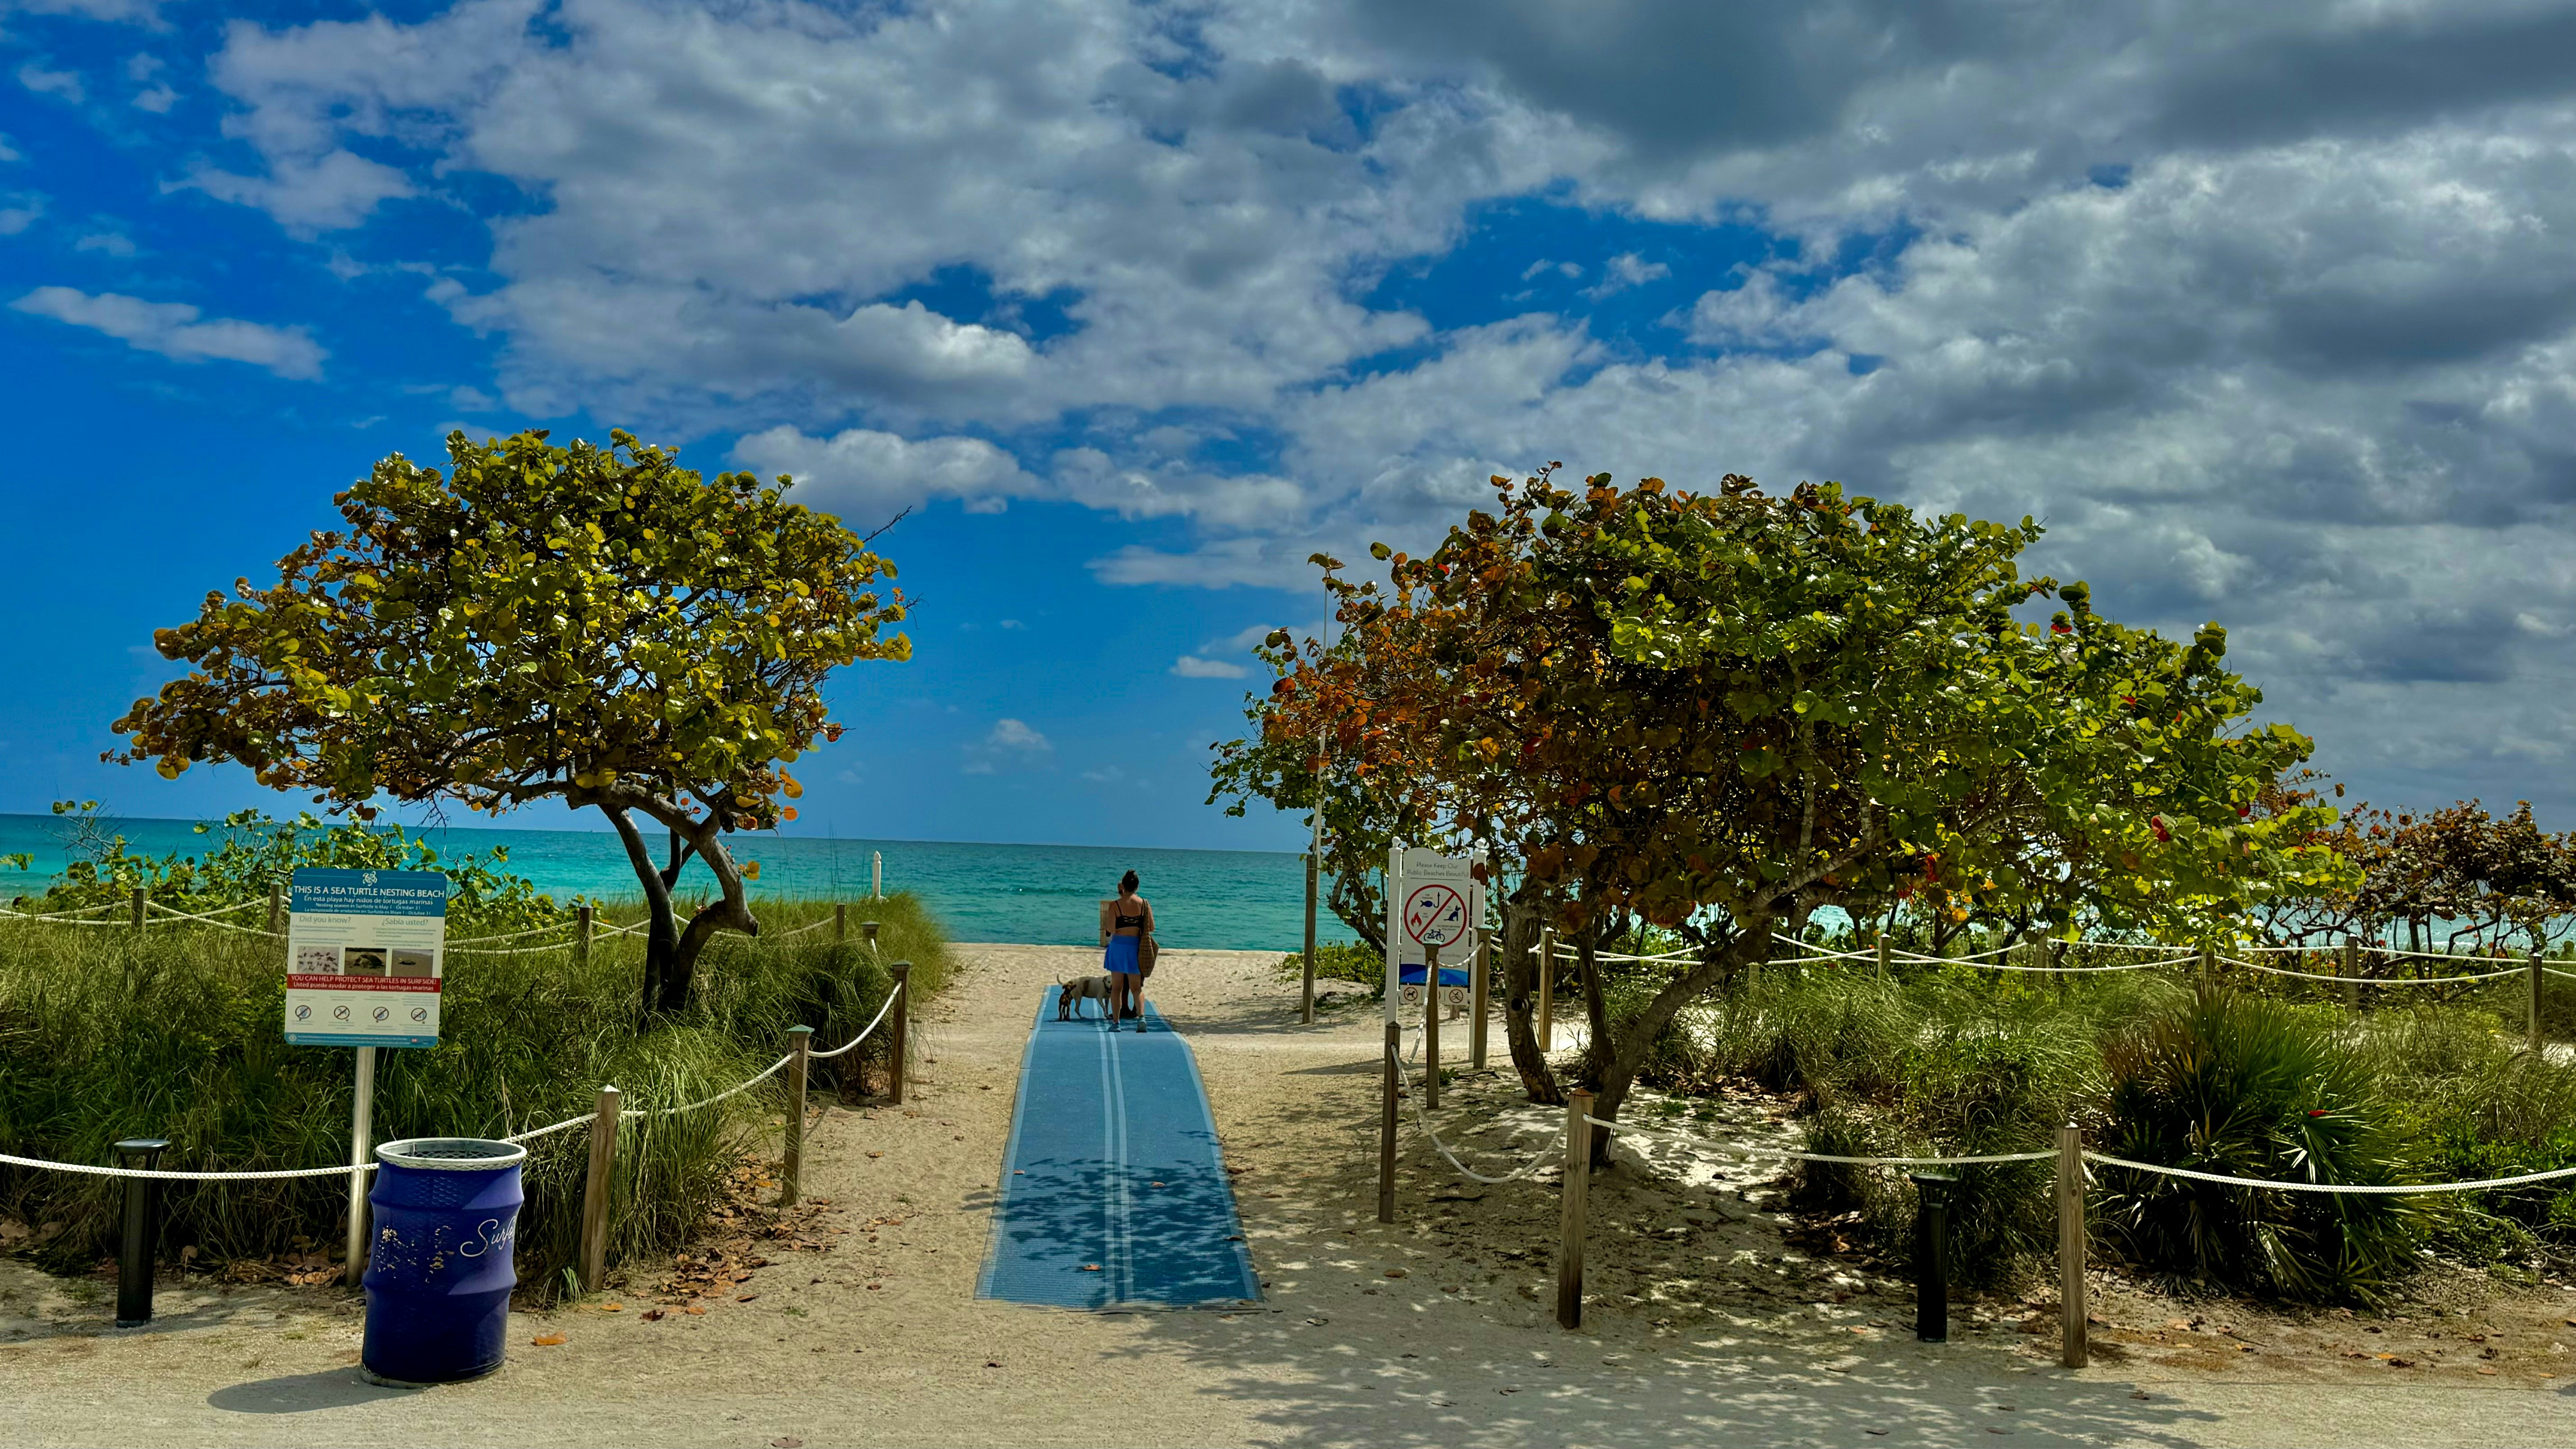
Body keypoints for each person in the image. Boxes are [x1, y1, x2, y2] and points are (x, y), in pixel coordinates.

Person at [1098, 870, 1155, 1032]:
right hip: (1135, 948)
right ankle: (1142, 1018)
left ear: (1123, 886)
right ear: (1137, 887)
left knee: (1117, 988)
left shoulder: (1115, 905)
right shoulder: (1144, 903)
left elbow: (1111, 929)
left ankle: (1116, 1023)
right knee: (1136, 988)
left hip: (1118, 948)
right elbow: (1151, 927)